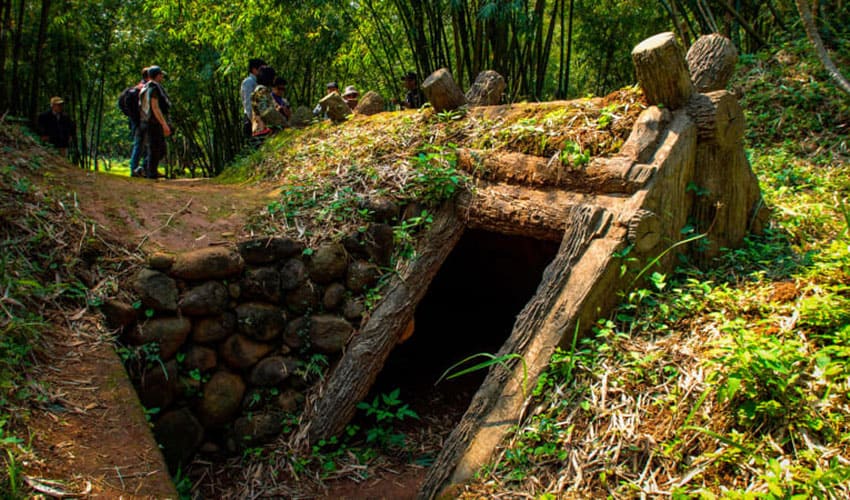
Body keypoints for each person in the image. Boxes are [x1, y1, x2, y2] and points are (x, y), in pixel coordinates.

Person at [141, 65, 171, 179]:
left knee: (159, 148)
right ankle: (150, 173)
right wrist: (164, 124)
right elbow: (155, 107)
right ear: (158, 75)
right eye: (161, 74)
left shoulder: (146, 87)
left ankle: (147, 169)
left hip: (147, 121)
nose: (162, 77)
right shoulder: (153, 88)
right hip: (153, 122)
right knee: (156, 148)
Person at [250, 66, 286, 145]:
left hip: (260, 129)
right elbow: (265, 112)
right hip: (263, 130)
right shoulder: (261, 90)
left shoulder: (260, 90)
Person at [127, 67, 149, 177]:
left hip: (136, 121)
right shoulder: (144, 88)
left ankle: (138, 169)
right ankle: (136, 169)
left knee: (141, 145)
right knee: (141, 145)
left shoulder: (136, 87)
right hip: (142, 121)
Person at [240, 58, 266, 138]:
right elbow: (248, 104)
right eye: (262, 69)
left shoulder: (259, 82)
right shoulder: (249, 82)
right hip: (251, 121)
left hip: (260, 120)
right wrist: (255, 122)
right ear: (254, 69)